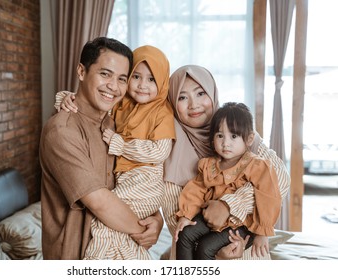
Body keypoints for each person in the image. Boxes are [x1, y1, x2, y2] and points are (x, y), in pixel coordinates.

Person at [39, 37, 163, 260]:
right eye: (105, 74)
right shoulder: (62, 132)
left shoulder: (114, 124)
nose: (114, 87)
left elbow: (136, 177)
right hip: (75, 255)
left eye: (122, 79)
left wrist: (156, 218)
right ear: (81, 71)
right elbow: (100, 203)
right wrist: (144, 230)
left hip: (117, 250)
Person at [162, 65, 291, 259]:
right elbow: (176, 224)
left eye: (200, 93)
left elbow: (279, 179)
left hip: (245, 248)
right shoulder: (168, 149)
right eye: (182, 97)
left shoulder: (242, 132)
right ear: (172, 102)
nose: (193, 104)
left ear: (212, 93)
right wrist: (216, 253)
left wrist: (228, 205)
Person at [174, 102, 281, 260]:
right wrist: (186, 215)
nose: (226, 143)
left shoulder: (256, 165)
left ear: (249, 138)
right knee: (184, 235)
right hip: (212, 217)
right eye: (220, 136)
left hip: (243, 224)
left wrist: (262, 232)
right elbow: (196, 189)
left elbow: (269, 197)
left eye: (234, 136)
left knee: (205, 248)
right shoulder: (209, 165)